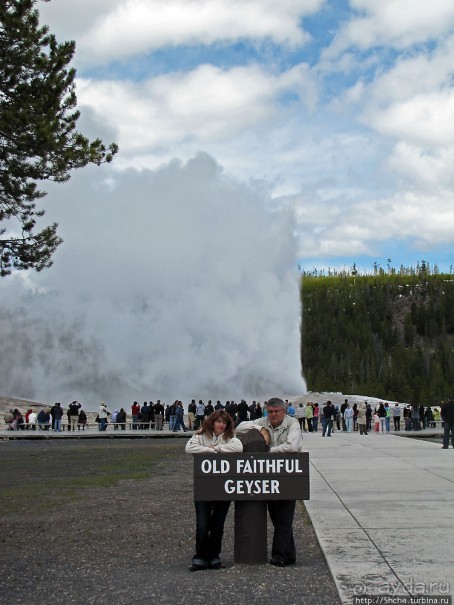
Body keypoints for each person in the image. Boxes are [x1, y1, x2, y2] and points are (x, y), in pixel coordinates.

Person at [235, 397, 303, 567]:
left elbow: (292, 446)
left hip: (289, 477)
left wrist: (270, 451)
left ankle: (279, 555)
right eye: (270, 411)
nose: (273, 415)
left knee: (285, 517)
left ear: (283, 411)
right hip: (269, 478)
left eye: (276, 411)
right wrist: (259, 428)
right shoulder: (263, 421)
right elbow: (239, 427)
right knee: (277, 517)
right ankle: (290, 554)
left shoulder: (293, 423)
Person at [185, 410, 243, 571]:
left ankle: (213, 556)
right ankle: (200, 556)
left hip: (224, 486)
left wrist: (216, 449)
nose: (221, 424)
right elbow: (189, 449)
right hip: (204, 486)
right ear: (212, 422)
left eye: (224, 422)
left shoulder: (230, 437)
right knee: (202, 524)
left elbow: (238, 447)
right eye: (218, 421)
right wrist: (209, 450)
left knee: (218, 524)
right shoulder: (200, 434)